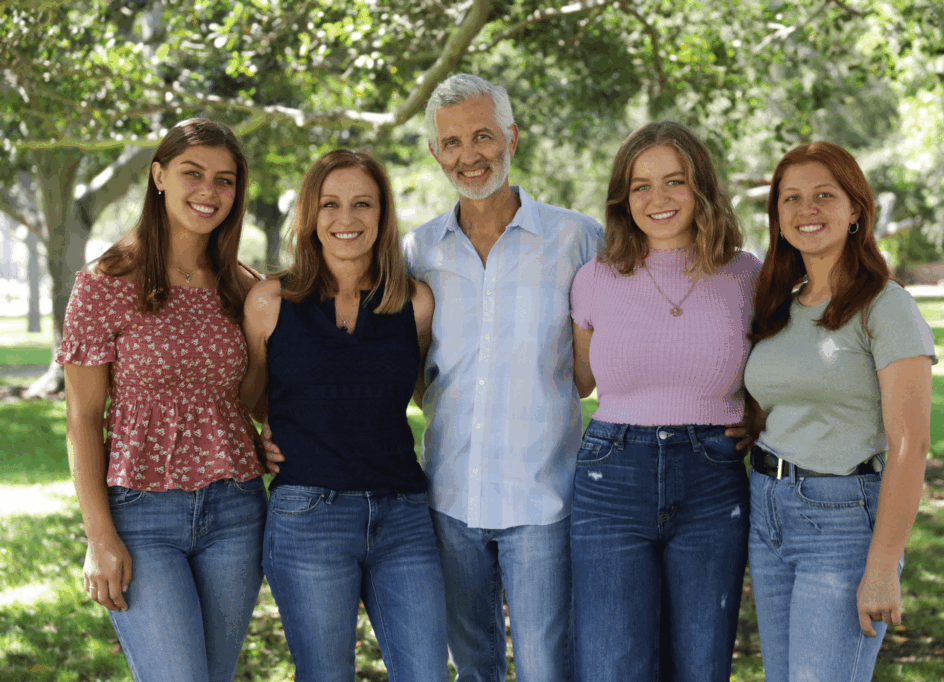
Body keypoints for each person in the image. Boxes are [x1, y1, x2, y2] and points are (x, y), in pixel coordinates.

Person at [401, 73, 604, 682]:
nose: (470, 155)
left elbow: (591, 374)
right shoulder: (417, 252)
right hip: (450, 493)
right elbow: (410, 370)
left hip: (544, 496)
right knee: (474, 666)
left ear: (511, 137)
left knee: (547, 668)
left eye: (483, 136)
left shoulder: (577, 239)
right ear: (436, 153)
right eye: (453, 143)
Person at [59, 118, 266, 681]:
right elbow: (81, 417)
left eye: (225, 180)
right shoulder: (104, 281)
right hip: (140, 516)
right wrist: (99, 537)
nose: (208, 191)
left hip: (236, 510)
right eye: (192, 174)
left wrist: (273, 428)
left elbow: (260, 392)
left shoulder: (241, 285)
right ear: (158, 176)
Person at [239, 149, 445, 682]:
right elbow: (244, 396)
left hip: (403, 514)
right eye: (330, 204)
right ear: (310, 216)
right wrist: (257, 434)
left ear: (382, 214)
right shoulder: (270, 301)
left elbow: (425, 389)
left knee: (423, 672)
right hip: (309, 514)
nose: (346, 219)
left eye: (362, 204)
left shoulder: (415, 303)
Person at [569, 121, 759, 681]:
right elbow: (580, 380)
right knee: (610, 665)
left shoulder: (747, 274)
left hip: (713, 478)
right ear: (623, 199)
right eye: (641, 186)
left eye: (674, 181)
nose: (658, 198)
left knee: (700, 664)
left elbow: (778, 366)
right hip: (611, 477)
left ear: (701, 188)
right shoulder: (594, 278)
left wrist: (758, 413)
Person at [743, 141, 935, 681]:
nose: (808, 209)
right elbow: (782, 400)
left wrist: (881, 567)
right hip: (768, 511)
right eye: (792, 198)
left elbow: (911, 444)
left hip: (844, 522)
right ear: (777, 217)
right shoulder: (782, 303)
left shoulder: (886, 305)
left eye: (824, 195)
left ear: (856, 210)